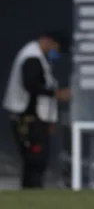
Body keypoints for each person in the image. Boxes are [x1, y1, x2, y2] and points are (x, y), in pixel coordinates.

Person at [2, 30, 71, 189]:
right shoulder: (31, 57)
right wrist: (56, 94)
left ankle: (32, 191)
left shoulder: (39, 57)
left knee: (36, 160)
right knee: (35, 158)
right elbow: (31, 85)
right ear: (46, 41)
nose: (55, 52)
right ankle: (32, 190)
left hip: (36, 118)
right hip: (28, 118)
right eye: (55, 47)